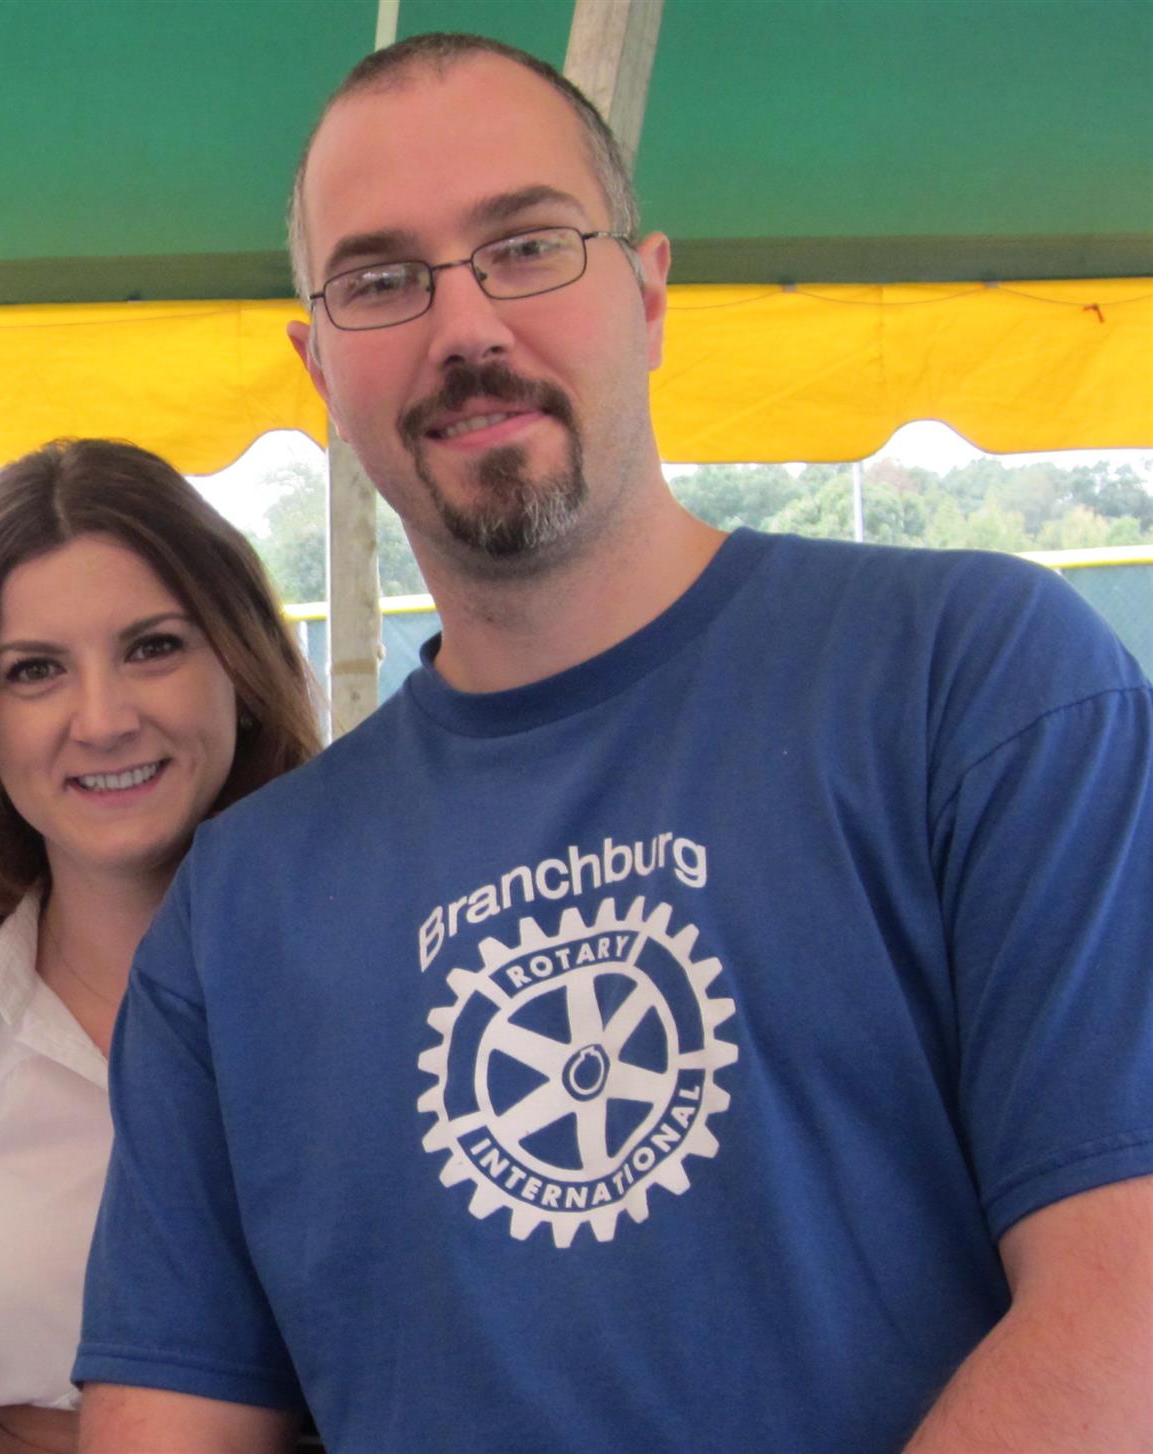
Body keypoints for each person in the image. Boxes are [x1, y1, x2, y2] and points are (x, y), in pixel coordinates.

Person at [75, 33, 1153, 1454]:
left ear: (648, 292)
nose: (466, 326)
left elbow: (1123, 1310)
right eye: (381, 279)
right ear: (318, 363)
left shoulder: (978, 679)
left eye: (527, 245)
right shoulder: (235, 916)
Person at [0, 439, 319, 1453]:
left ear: (240, 666)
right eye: (34, 671)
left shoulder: (388, 988)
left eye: (153, 647)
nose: (103, 720)